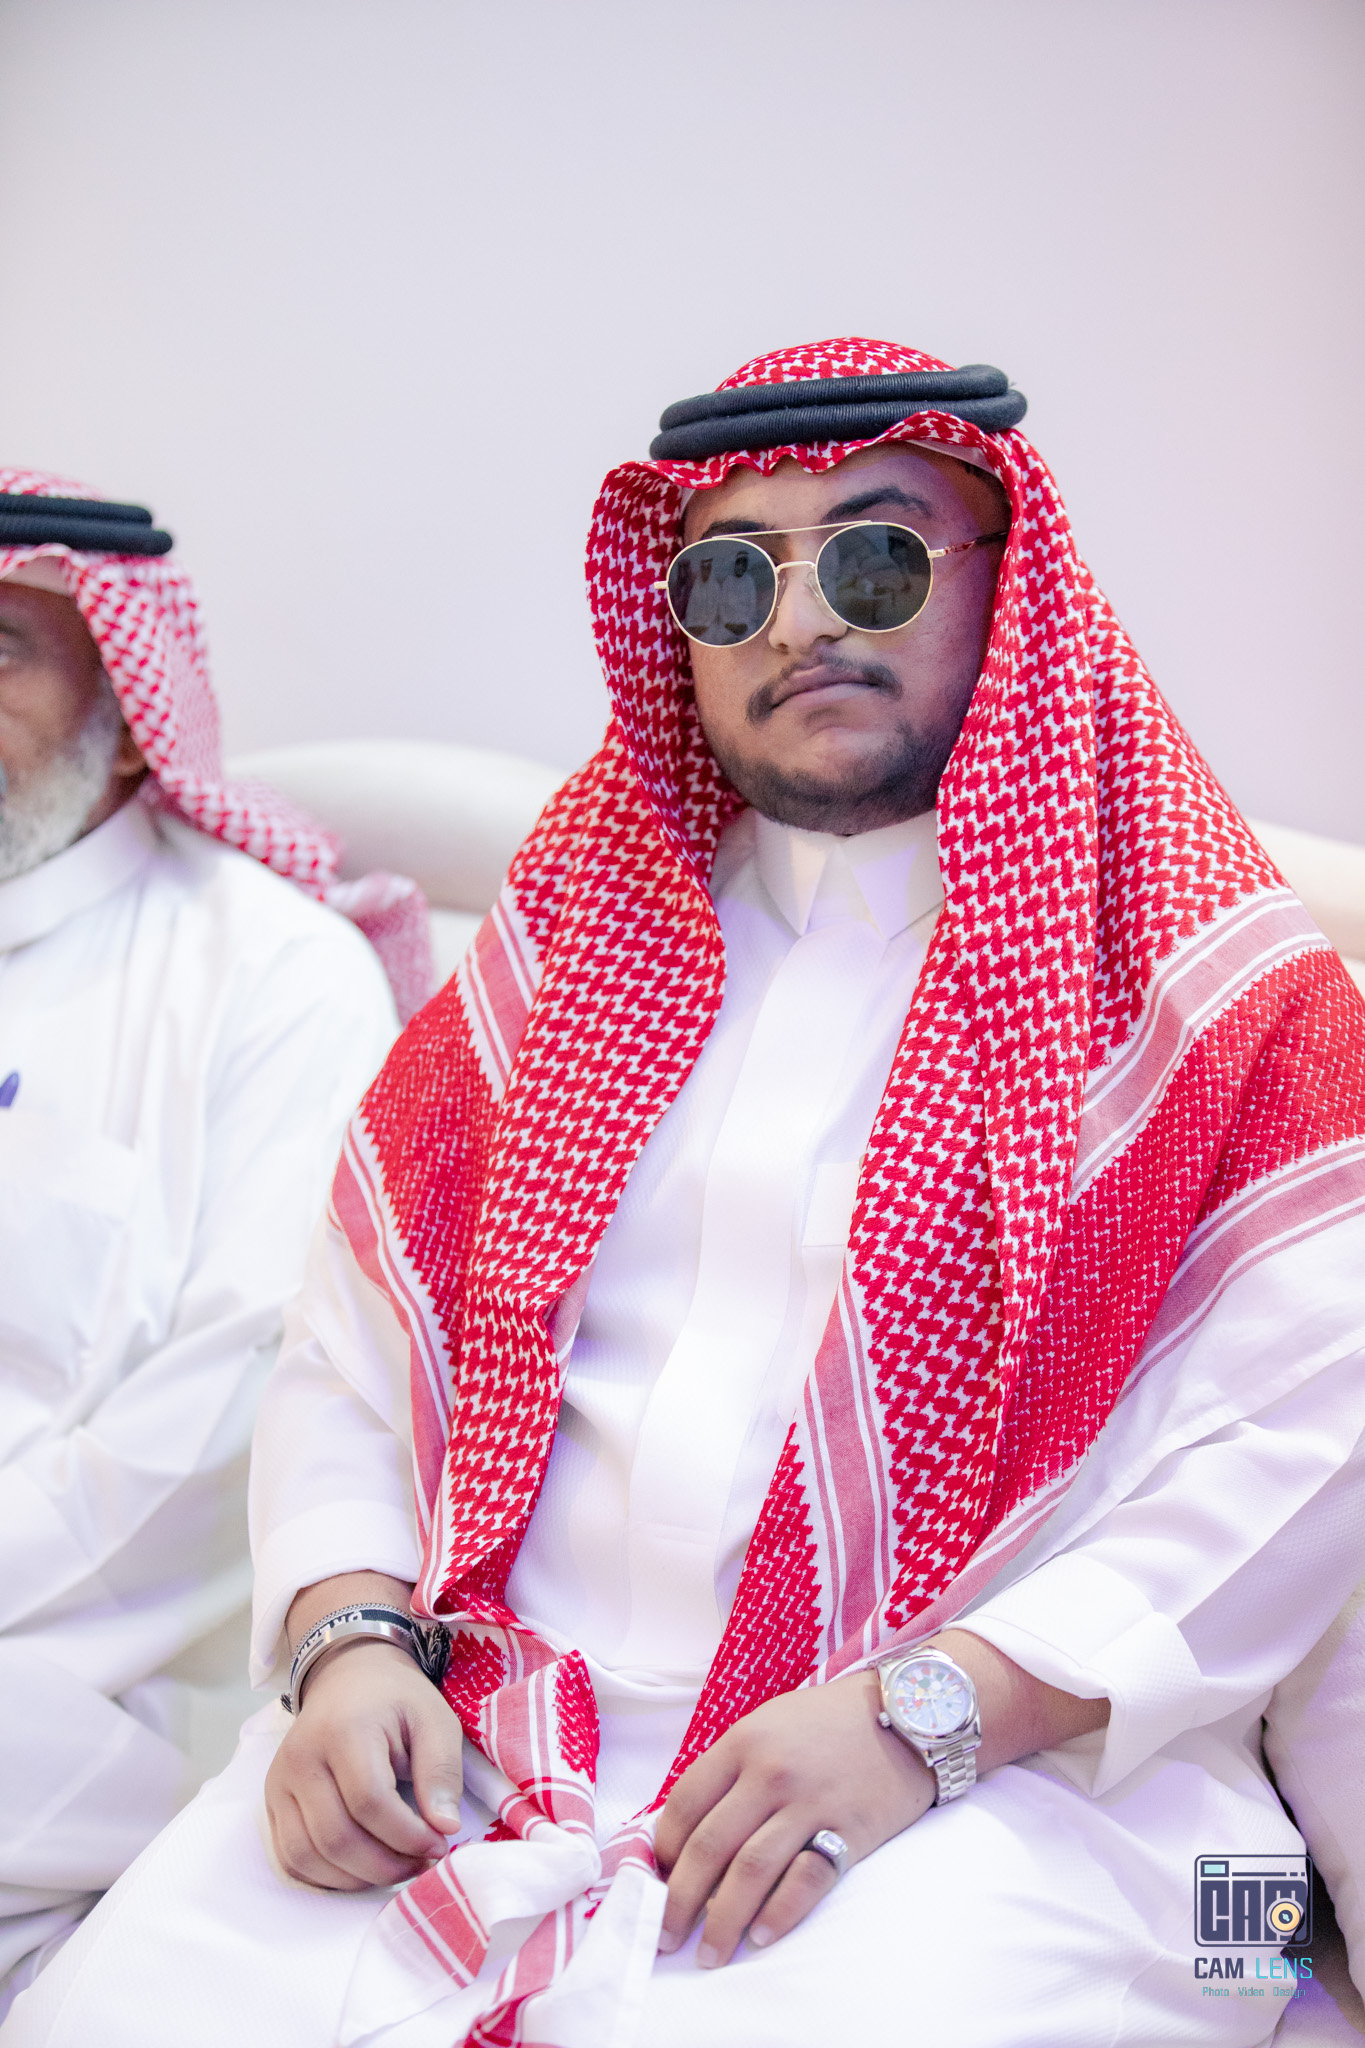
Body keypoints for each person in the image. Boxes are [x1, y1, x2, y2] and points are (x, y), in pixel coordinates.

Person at [7, 342, 1364, 2048]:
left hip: (1027, 1782)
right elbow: (350, 1355)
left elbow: (1295, 1449)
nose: (797, 623)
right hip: (488, 1734)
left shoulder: (1220, 1004)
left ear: (1009, 581)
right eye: (731, 581)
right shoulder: (562, 960)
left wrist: (927, 1716)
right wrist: (347, 1635)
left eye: (873, 559)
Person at [0, 472, 408, 2009]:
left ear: (126, 699)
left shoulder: (274, 973)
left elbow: (235, 1407)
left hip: (107, 1669)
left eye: (1, 652)